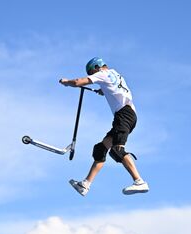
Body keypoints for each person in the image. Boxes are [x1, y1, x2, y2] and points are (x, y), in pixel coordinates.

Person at [59, 57, 149, 196]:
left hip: (124, 115)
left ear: (97, 67)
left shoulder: (102, 73)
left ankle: (139, 181)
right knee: (101, 149)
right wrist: (103, 90)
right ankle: (85, 184)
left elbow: (78, 82)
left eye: (91, 73)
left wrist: (67, 82)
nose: (92, 77)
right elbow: (113, 87)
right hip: (127, 115)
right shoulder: (114, 73)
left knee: (117, 151)